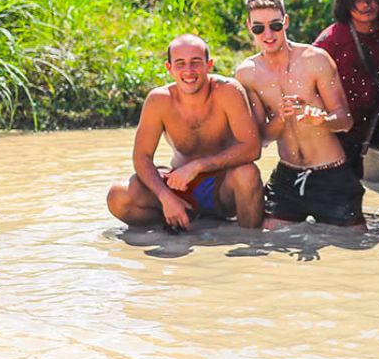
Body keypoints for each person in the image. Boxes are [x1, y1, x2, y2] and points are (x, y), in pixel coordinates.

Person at [233, 0, 365, 230]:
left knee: (355, 245)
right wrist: (282, 118)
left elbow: (345, 120)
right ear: (248, 27)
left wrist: (322, 120)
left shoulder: (315, 59)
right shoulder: (247, 73)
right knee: (268, 241)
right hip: (288, 176)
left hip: (332, 174)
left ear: (286, 22)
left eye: (275, 25)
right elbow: (261, 138)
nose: (268, 34)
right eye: (259, 28)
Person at [106, 34, 264, 231]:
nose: (188, 71)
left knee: (248, 174)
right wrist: (166, 197)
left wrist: (198, 166)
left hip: (222, 188)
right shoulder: (159, 100)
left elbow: (251, 149)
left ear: (209, 65)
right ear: (169, 68)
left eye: (196, 62)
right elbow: (142, 157)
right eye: (180, 63)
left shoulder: (227, 91)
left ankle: (250, 244)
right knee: (118, 196)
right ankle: (179, 221)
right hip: (178, 186)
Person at [314, 0, 379, 179]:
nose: (365, 5)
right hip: (337, 128)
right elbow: (307, 75)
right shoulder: (333, 38)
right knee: (336, 188)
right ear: (346, 4)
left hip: (372, 125)